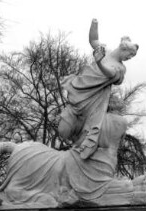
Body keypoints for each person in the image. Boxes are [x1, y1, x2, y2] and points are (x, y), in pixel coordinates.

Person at [58, 19, 139, 159]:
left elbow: (110, 74)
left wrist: (99, 62)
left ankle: (78, 153)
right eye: (129, 55)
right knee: (62, 131)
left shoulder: (120, 68)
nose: (129, 58)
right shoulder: (104, 51)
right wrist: (94, 24)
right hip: (80, 93)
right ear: (123, 48)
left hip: (94, 103)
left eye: (131, 57)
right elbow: (93, 40)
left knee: (85, 135)